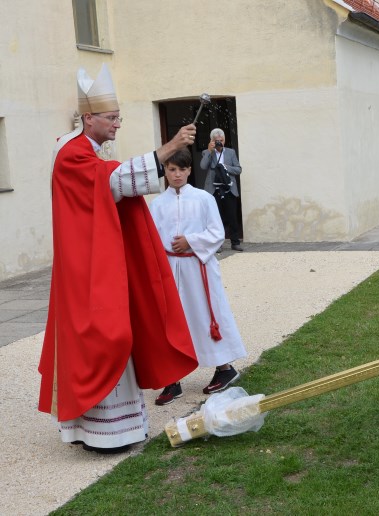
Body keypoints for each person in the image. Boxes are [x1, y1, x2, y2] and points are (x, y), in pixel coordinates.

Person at [38, 64, 199, 454]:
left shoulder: (87, 150)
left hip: (96, 259)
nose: (117, 125)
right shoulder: (72, 154)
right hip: (85, 268)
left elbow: (112, 181)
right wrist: (169, 147)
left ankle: (121, 429)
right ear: (88, 117)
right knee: (106, 334)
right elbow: (113, 181)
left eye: (119, 118)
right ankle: (101, 433)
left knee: (116, 330)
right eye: (112, 118)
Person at [149, 148, 248, 405]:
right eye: (172, 169)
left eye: (182, 169)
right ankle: (173, 379)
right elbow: (151, 239)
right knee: (171, 319)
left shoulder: (204, 199)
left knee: (207, 314)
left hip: (198, 266)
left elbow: (216, 232)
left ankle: (225, 368)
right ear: (165, 172)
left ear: (190, 170)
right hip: (170, 268)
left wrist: (191, 241)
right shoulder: (158, 204)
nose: (177, 174)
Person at [200, 128, 244, 252]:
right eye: (216, 140)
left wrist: (225, 167)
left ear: (225, 140)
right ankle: (217, 244)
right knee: (215, 217)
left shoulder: (230, 152)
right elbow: (203, 166)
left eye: (221, 140)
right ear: (212, 141)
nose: (219, 142)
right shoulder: (207, 152)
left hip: (228, 187)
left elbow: (238, 169)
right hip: (214, 189)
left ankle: (235, 242)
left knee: (232, 216)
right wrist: (210, 151)